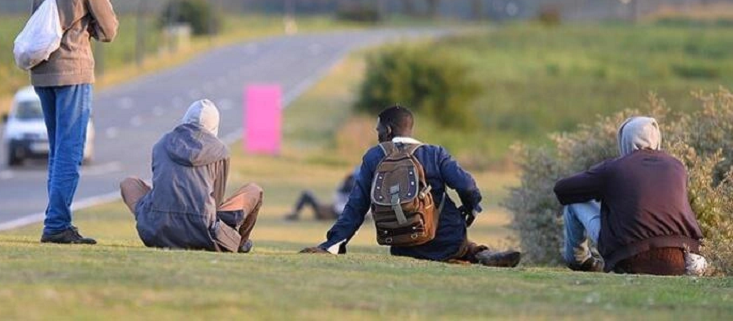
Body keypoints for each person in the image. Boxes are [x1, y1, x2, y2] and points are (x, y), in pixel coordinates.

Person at [300, 105, 521, 267]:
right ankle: (479, 254)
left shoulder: (374, 156)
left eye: (378, 130)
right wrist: (471, 207)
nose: (377, 135)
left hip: (401, 244)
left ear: (387, 130)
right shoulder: (434, 153)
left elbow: (356, 207)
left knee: (446, 248)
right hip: (446, 239)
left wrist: (332, 244)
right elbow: (467, 186)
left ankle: (473, 254)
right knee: (458, 240)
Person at [33, 0, 118, 244]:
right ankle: (56, 224)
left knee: (57, 150)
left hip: (41, 68)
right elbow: (109, 29)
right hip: (73, 70)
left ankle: (55, 219)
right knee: (71, 150)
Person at [554, 116, 706, 275]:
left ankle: (580, 262)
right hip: (678, 261)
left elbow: (562, 189)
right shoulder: (677, 166)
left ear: (624, 140)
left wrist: (600, 191)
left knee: (574, 202)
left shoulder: (613, 168)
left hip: (629, 260)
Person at [120, 99, 264, 253]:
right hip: (203, 235)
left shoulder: (162, 143)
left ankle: (159, 222)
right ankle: (240, 243)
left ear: (186, 119)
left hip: (156, 232)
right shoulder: (220, 151)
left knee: (128, 184)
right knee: (254, 191)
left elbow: (160, 185)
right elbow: (216, 200)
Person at [285, 169, 358, 221]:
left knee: (307, 194)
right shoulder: (344, 188)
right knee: (307, 194)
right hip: (334, 212)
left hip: (336, 213)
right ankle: (294, 214)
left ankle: (294, 213)